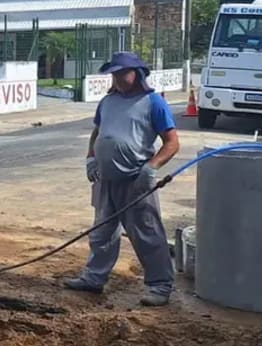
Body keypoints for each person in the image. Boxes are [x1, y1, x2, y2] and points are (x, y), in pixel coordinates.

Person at [64, 51, 180, 307]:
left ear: (136, 73)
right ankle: (94, 278)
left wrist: (151, 167)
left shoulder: (153, 103)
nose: (116, 78)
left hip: (135, 181)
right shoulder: (108, 102)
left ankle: (160, 285)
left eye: (121, 73)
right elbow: (98, 133)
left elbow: (172, 143)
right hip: (106, 179)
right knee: (102, 233)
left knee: (147, 234)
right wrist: (90, 158)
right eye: (113, 74)